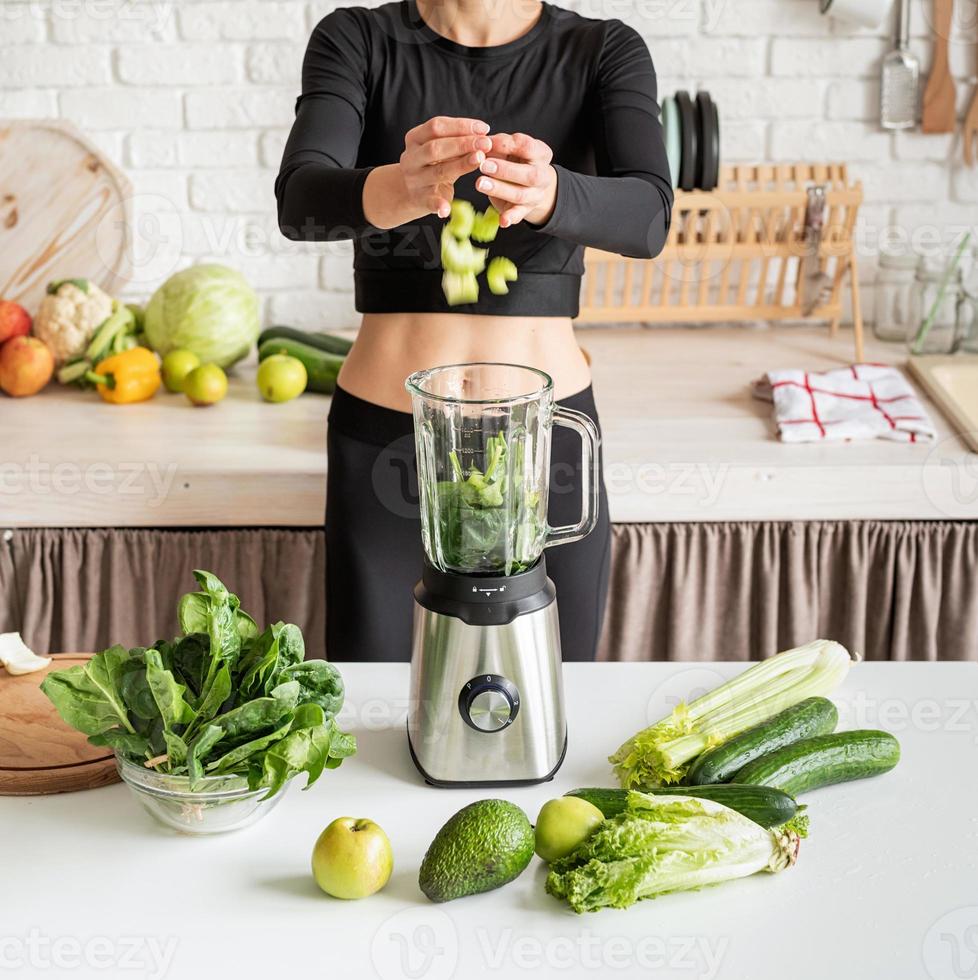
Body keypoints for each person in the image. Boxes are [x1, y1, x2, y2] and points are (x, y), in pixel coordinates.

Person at [276, 0, 672, 662]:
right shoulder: (358, 38)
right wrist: (401, 189)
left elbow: (650, 215)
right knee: (372, 706)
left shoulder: (604, 49)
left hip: (551, 442)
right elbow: (300, 199)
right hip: (390, 439)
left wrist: (550, 197)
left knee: (551, 698)